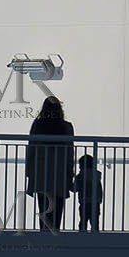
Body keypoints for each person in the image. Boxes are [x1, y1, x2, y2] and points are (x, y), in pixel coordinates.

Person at [25, 96, 75, 232]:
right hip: (60, 173)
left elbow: (31, 148)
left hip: (41, 172)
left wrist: (29, 172)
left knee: (44, 209)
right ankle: (54, 239)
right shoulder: (66, 127)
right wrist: (70, 175)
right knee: (57, 212)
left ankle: (44, 240)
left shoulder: (38, 126)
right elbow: (70, 153)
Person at [72, 154, 103, 232]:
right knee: (95, 222)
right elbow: (99, 189)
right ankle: (95, 237)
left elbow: (74, 189)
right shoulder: (96, 176)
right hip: (95, 203)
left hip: (84, 202)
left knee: (83, 221)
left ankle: (82, 236)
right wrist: (99, 199)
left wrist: (69, 182)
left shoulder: (80, 176)